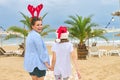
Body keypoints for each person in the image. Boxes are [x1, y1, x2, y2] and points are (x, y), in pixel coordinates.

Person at [24, 4, 50, 80]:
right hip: (38, 64)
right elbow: (41, 51)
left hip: (30, 64)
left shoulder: (29, 35)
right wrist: (46, 63)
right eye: (38, 25)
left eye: (41, 24)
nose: (40, 26)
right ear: (32, 26)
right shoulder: (37, 36)